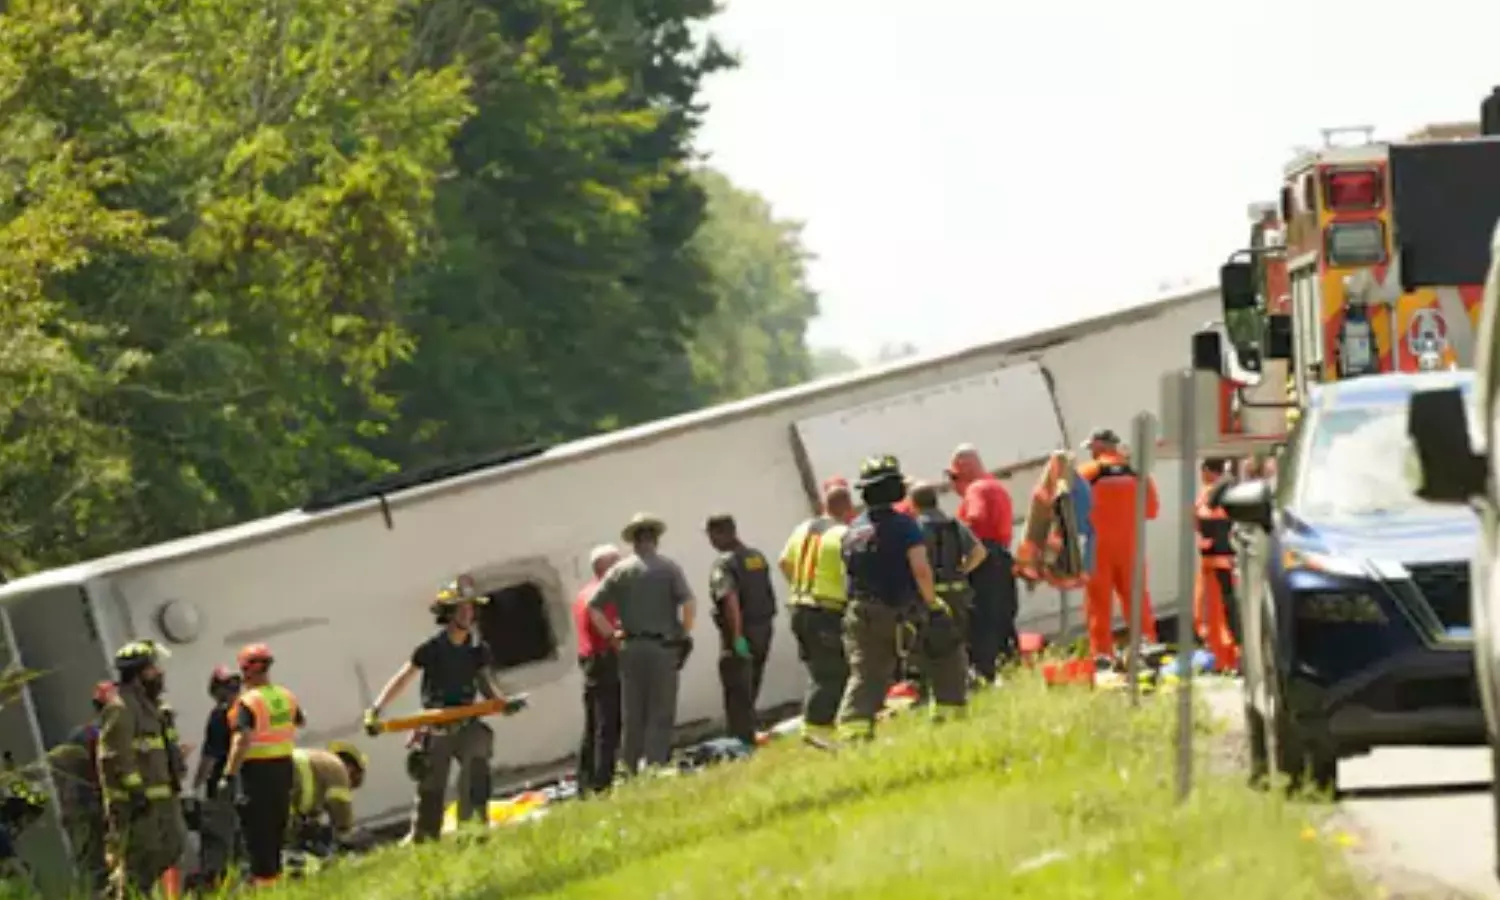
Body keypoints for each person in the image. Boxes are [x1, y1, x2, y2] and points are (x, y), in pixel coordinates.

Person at [364, 575, 520, 843]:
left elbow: (486, 685)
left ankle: (473, 832)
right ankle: (424, 839)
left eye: (471, 608)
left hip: (468, 723)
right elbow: (403, 678)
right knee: (431, 789)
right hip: (436, 728)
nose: (468, 614)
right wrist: (376, 709)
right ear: (448, 613)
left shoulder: (477, 650)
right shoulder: (432, 649)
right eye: (462, 608)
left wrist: (503, 703)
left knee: (476, 774)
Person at [835, 455, 950, 742]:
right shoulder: (904, 525)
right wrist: (933, 603)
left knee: (866, 673)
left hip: (859, 611)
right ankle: (946, 710)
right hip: (897, 610)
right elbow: (920, 569)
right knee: (940, 654)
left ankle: (852, 731)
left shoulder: (852, 530)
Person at [588, 513, 697, 775]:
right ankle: (655, 764)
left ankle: (628, 767)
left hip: (631, 648)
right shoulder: (668, 568)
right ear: (655, 539)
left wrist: (611, 636)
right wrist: (684, 632)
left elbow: (594, 607)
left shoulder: (619, 571)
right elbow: (688, 603)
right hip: (662, 647)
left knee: (633, 710)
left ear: (633, 541)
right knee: (661, 708)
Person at [97, 640, 187, 900]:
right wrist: (135, 790)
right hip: (136, 802)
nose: (159, 673)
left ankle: (119, 893)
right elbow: (115, 755)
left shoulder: (152, 707)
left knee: (172, 847)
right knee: (139, 859)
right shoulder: (121, 708)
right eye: (152, 668)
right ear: (138, 673)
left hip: (163, 797)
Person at [218, 643, 303, 887]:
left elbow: (241, 739)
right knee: (277, 827)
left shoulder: (247, 702)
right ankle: (276, 879)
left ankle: (265, 885)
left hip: (257, 773)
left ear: (246, 671)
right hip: (285, 768)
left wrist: (228, 775)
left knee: (258, 833)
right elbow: (300, 721)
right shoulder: (286, 696)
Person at [779, 481, 855, 744]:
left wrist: (801, 585)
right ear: (849, 508)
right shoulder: (843, 534)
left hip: (799, 607)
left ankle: (822, 725)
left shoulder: (803, 528)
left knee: (818, 670)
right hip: (826, 610)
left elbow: (783, 561)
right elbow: (850, 574)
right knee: (835, 672)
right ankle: (817, 727)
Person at [1076, 428, 1160, 657]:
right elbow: (1151, 511)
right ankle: (1147, 649)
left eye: (1091, 448)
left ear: (1099, 446)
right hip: (1131, 547)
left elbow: (1071, 509)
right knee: (1137, 602)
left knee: (1098, 606)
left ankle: (1102, 655)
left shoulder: (1087, 473)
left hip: (1098, 549)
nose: (1091, 452)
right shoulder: (1138, 473)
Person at [908, 481, 987, 716]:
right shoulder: (955, 525)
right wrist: (963, 569)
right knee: (957, 642)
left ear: (914, 504)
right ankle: (963, 687)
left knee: (929, 646)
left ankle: (932, 693)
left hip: (931, 594)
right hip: (957, 591)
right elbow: (979, 552)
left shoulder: (914, 529)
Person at [705, 514, 779, 747]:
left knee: (737, 690)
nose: (711, 541)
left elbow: (730, 598)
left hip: (741, 633)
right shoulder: (756, 557)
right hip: (763, 629)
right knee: (751, 685)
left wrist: (737, 636)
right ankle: (748, 733)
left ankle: (739, 743)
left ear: (720, 533)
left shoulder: (724, 563)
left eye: (711, 536)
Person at [947, 443, 1019, 680]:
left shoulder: (976, 489)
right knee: (1003, 615)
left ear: (964, 471)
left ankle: (985, 671)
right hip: (1002, 558)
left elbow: (976, 520)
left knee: (982, 616)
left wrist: (955, 541)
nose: (953, 485)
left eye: (954, 478)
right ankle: (1009, 665)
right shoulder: (997, 487)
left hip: (983, 560)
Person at [52, 681, 115, 894]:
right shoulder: (110, 734)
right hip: (98, 807)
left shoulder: (81, 734)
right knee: (100, 865)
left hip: (86, 807)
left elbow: (65, 775)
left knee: (92, 865)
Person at [574, 544, 623, 795]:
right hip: (605, 659)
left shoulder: (583, 594)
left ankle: (586, 780)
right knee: (608, 723)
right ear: (604, 567)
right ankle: (603, 781)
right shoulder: (602, 595)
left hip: (590, 660)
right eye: (616, 563)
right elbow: (610, 630)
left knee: (594, 724)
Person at [191, 666, 241, 889]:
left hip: (224, 785)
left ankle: (215, 884)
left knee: (217, 836)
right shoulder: (250, 710)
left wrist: (197, 785)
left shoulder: (220, 715)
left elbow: (210, 756)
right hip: (252, 782)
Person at [1195, 458, 1241, 671]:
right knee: (1225, 614)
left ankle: (1225, 660)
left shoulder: (1209, 495)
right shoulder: (1231, 492)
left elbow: (1199, 522)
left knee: (1216, 615)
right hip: (1224, 562)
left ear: (1207, 470)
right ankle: (1229, 659)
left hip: (1215, 564)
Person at [286, 742, 368, 853]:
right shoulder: (338, 770)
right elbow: (342, 815)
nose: (349, 789)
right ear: (351, 768)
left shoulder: (319, 765)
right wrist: (348, 835)